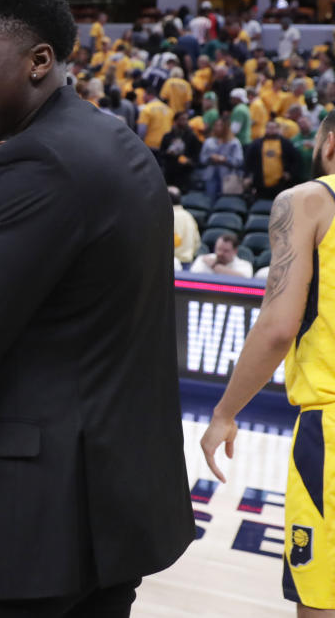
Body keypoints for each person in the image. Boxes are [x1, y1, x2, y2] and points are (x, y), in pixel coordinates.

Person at [0, 0, 194, 616]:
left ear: (38, 61)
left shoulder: (33, 161)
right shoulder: (117, 141)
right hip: (112, 512)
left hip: (22, 523)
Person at [200, 111, 335, 615]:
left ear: (328, 144)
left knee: (322, 600)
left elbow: (278, 327)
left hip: (331, 428)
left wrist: (225, 413)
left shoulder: (308, 200)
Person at [201, 117, 245, 201]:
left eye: (220, 125)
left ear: (226, 127)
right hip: (210, 177)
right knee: (210, 201)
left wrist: (224, 159)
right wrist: (210, 158)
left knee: (226, 203)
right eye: (216, 125)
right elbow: (202, 159)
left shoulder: (234, 142)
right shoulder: (209, 141)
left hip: (228, 178)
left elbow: (239, 161)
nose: (217, 127)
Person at [171, 187, 200, 266]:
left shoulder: (169, 216)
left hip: (173, 263)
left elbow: (174, 241)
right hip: (187, 263)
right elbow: (197, 241)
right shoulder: (189, 216)